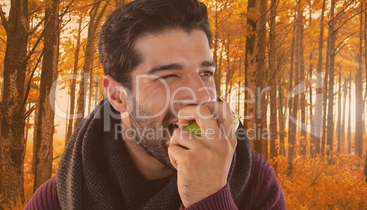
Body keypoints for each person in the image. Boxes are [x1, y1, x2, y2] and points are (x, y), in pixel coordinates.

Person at [26, 0, 286, 209]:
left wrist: (209, 198)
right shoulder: (57, 200)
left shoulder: (256, 184)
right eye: (168, 76)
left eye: (205, 73)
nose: (198, 96)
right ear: (117, 96)